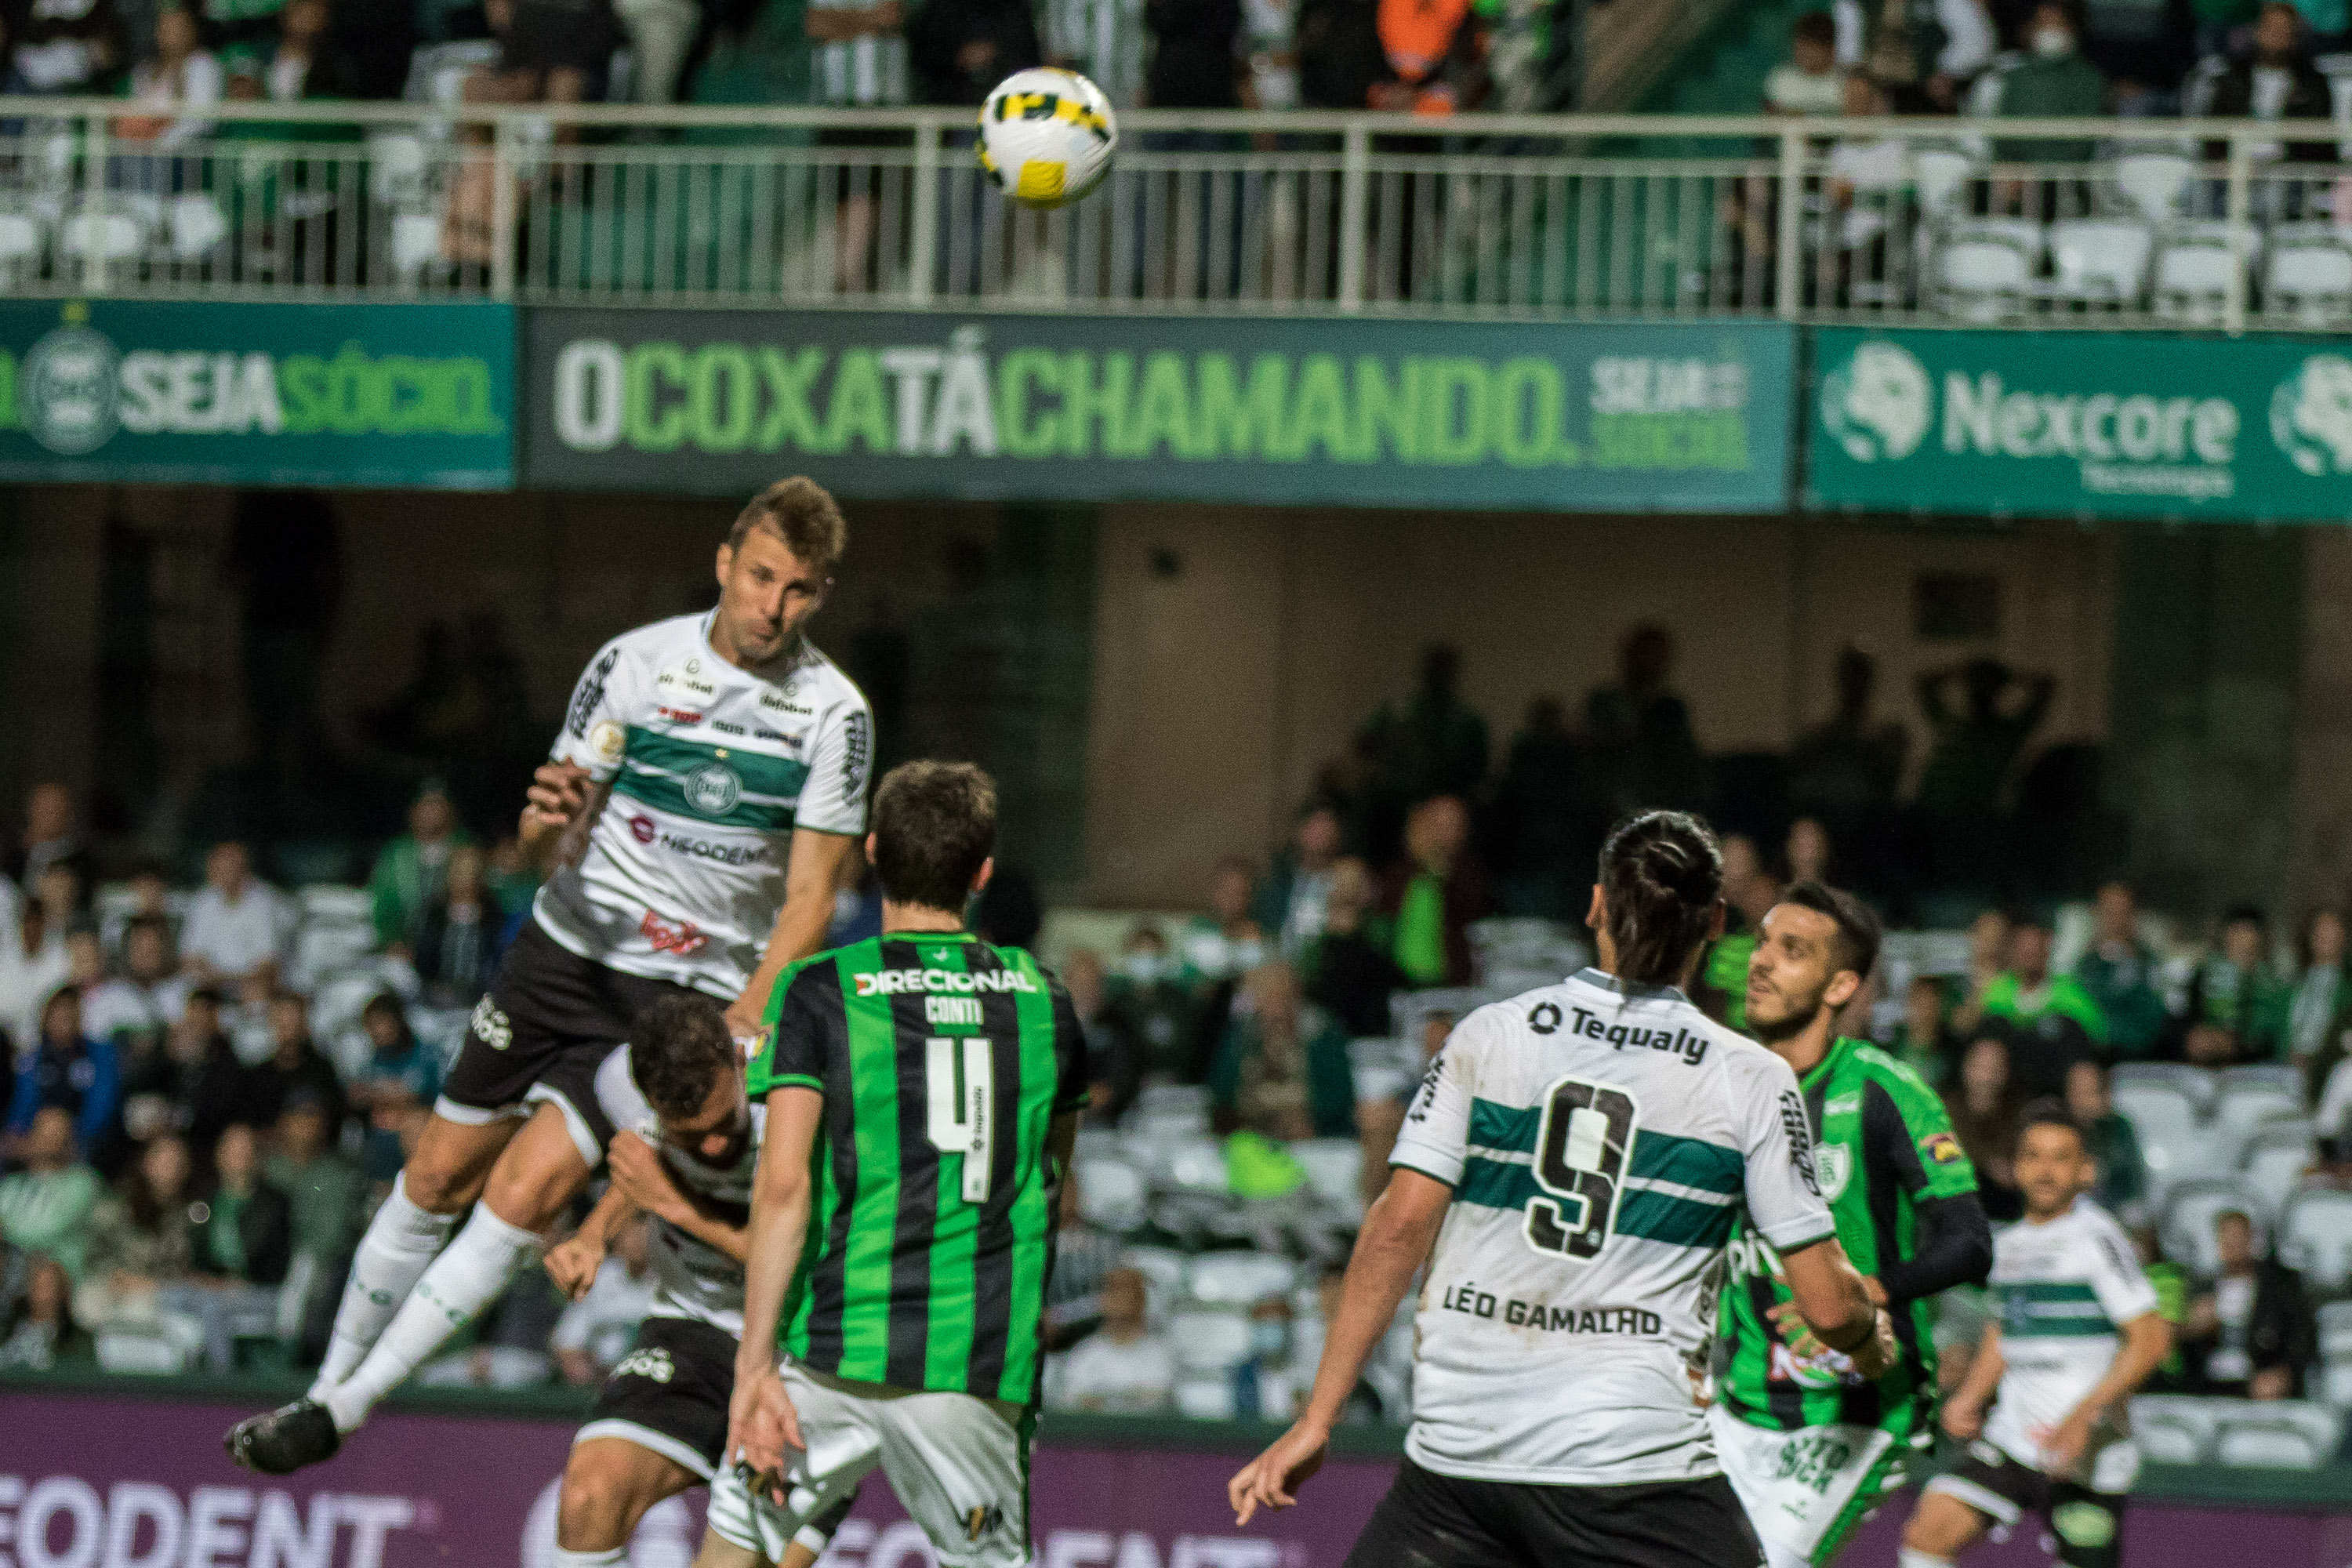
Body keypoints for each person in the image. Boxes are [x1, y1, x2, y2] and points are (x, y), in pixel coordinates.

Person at [228, 479, 873, 1475]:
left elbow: (812, 897)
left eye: (797, 589)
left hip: (683, 1003)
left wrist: (750, 1005)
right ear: (724, 561)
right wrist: (541, 824)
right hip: (564, 959)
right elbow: (541, 844)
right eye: (759, 577)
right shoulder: (634, 662)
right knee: (435, 1175)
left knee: (524, 1197)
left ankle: (339, 1409)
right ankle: (324, 1385)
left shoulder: (834, 713)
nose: (771, 606)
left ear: (820, 593)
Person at [1228, 810, 1896, 1568]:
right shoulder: (1748, 1078)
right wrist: (1867, 1341)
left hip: (1461, 1462)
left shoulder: (1490, 1034)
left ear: (1596, 907)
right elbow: (1827, 1305)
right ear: (1715, 923)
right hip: (1628, 1469)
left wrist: (1318, 1418)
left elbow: (1395, 1229)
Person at [709, 760, 1088, 1568]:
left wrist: (753, 1365)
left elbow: (783, 1187)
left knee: (733, 1555)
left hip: (828, 1357)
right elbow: (1052, 1174)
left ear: (874, 851)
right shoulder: (1047, 1001)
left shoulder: (818, 989)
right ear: (981, 874)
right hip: (971, 1363)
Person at [1713, 881, 1993, 1568]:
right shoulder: (1719, 1086)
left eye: (1792, 951)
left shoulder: (1883, 1090)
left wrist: (1864, 1293)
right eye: (1763, 944)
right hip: (1737, 1403)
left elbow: (1969, 1243)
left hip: (1860, 1405)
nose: (1761, 961)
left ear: (1840, 986)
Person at [1902, 1102, 2172, 1568]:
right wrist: (1970, 1397)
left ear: (2086, 1171)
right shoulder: (2008, 1244)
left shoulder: (2096, 1237)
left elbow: (2151, 1338)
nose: (2045, 1171)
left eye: (2061, 1158)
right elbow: (2005, 1328)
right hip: (2014, 1439)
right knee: (1929, 1532)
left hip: (2088, 1453)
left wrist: (2084, 1415)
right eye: (2033, 1156)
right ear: (2016, 1167)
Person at [1208, 961, 1357, 1140]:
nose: (1276, 1007)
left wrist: (1310, 1119)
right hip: (1250, 1138)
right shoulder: (1240, 1036)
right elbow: (1220, 1094)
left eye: (1282, 996)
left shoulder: (1322, 1034)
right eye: (1267, 997)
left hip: (1314, 1138)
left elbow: (1340, 1096)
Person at [2178, 1208, 2311, 1399]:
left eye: (2238, 1238)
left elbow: (2301, 1335)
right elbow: (2180, 1344)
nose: (2232, 1245)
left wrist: (2284, 1374)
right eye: (2226, 1239)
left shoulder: (2279, 1285)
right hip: (2210, 1385)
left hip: (2259, 1381)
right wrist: (2192, 1328)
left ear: (2251, 1240)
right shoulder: (2202, 1286)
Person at [1976, 913, 2103, 1097]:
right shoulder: (1996, 990)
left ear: (2047, 949)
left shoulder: (2071, 992)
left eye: (2035, 948)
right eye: (2024, 949)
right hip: (2006, 1091)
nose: (2030, 955)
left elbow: (2096, 1037)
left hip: (2057, 1090)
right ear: (2013, 950)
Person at [1381, 795, 1486, 989]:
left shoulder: (1469, 876)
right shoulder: (1398, 874)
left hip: (1450, 986)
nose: (1442, 833)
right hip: (1397, 982)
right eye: (1436, 824)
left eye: (1453, 826)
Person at [5, 986, 122, 1154]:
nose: (62, 1022)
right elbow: (22, 1106)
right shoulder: (33, 1059)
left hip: (83, 1140)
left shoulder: (100, 1054)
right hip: (38, 1136)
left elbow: (102, 1104)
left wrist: (74, 1136)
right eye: (57, 1015)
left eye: (68, 1015)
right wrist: (20, 1135)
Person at [1046, 1265, 1176, 1413]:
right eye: (1114, 1291)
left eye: (1129, 1291)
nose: (1122, 1299)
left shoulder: (1160, 1354)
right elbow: (1073, 1400)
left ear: (1142, 1299)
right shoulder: (1085, 1353)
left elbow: (1158, 1399)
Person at [1299, 858, 1405, 1040]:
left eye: (1354, 882)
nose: (1346, 888)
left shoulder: (1381, 938)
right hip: (1325, 1039)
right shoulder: (1314, 949)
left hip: (1369, 1038)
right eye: (1339, 881)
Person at [551, 1213, 659, 1385]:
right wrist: (581, 1367)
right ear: (617, 1239)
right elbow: (568, 1341)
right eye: (631, 1234)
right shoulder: (598, 1277)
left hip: (653, 1376)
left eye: (644, 1234)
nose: (637, 1242)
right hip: (601, 1378)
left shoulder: (669, 1282)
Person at [0, 1108, 102, 1280]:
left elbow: (51, 1229)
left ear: (70, 1141)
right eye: (44, 1131)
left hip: (57, 1272)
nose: (50, 1138)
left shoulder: (82, 1183)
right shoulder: (10, 1186)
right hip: (10, 1268)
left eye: (57, 1132)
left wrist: (6, 1236)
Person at [368, 780, 470, 953]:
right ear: (413, 811)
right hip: (401, 951)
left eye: (438, 804)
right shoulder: (397, 852)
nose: (432, 811)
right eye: (426, 804)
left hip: (452, 948)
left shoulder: (466, 848)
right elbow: (380, 903)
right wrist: (391, 941)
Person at [2072, 884, 2169, 1061]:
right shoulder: (2085, 966)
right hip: (2097, 1056)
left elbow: (2155, 1015)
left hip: (2142, 1056)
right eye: (2110, 912)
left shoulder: (2148, 963)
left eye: (2124, 912)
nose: (2117, 920)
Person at [180, 840, 295, 991]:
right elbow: (189, 959)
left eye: (228, 866)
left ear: (244, 868)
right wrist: (209, 979)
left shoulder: (265, 902)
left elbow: (268, 967)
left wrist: (224, 980)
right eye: (217, 866)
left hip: (254, 987)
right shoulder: (202, 901)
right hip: (211, 986)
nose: (221, 872)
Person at [2180, 905, 2288, 1065]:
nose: (2240, 940)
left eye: (2247, 932)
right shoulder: (2204, 976)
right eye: (2235, 932)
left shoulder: (2272, 987)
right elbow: (2190, 1018)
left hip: (2253, 1065)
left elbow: (2269, 1037)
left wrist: (2234, 1044)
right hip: (2205, 1063)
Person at [1697, 833, 1780, 1033]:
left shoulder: (1767, 905)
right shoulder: (1707, 917)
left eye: (1742, 861)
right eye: (1729, 861)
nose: (1736, 871)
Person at [83, 914, 190, 1058]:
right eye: (140, 949)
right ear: (127, 950)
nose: (145, 956)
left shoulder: (182, 993)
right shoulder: (108, 996)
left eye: (151, 950)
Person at [414, 842, 505, 1007]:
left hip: (479, 999)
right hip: (435, 997)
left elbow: (496, 961)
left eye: (472, 873)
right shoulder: (434, 915)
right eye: (459, 872)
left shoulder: (494, 917)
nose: (465, 880)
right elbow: (423, 956)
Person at [245, 991, 348, 1136]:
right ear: (272, 1024)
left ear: (304, 1024)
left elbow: (333, 1120)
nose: (289, 1029)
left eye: (293, 1021)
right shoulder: (260, 1076)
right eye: (282, 1022)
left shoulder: (322, 1071)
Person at [1944, 1036, 2022, 1221]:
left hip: (2007, 1214)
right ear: (1966, 1069)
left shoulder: (2018, 1113)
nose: (1987, 1076)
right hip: (1957, 1211)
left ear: (2005, 1073)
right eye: (1981, 1066)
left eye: (1995, 1068)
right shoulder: (1945, 1111)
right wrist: (1988, 1164)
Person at [1255, 804, 1345, 958]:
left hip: (1326, 962)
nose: (1321, 833)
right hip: (1280, 962)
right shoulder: (1280, 882)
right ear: (1300, 831)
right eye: (1315, 826)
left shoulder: (1344, 881)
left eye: (1327, 827)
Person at [2064, 1061, 2145, 1223]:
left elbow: (2130, 1181)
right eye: (2076, 1092)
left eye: (2089, 1092)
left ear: (2104, 1095)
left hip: (2115, 1210)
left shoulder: (2118, 1127)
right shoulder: (2060, 1128)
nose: (2081, 1100)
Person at [2287, 906, 2352, 1094]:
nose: (2325, 935)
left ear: (2344, 937)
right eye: (2320, 928)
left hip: (2328, 1076)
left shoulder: (2347, 990)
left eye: (2332, 929)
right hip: (2286, 1070)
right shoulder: (2289, 987)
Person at [0, 891, 71, 1058]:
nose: (32, 928)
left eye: (38, 921)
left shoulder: (61, 959)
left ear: (45, 924)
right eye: (28, 921)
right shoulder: (4, 959)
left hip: (48, 1049)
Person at [7, 783, 95, 913]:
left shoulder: (81, 860)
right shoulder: (14, 854)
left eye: (56, 810)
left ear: (69, 816)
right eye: (43, 809)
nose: (49, 816)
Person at [0, 1256, 93, 1370]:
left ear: (61, 1292)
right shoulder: (8, 1329)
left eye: (47, 1286)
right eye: (35, 1284)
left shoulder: (76, 1341)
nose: (39, 1293)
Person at [1766, 9, 1848, 112]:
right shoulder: (1780, 80)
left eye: (1812, 47)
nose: (1805, 53)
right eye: (1801, 46)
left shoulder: (1845, 83)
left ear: (1830, 49)